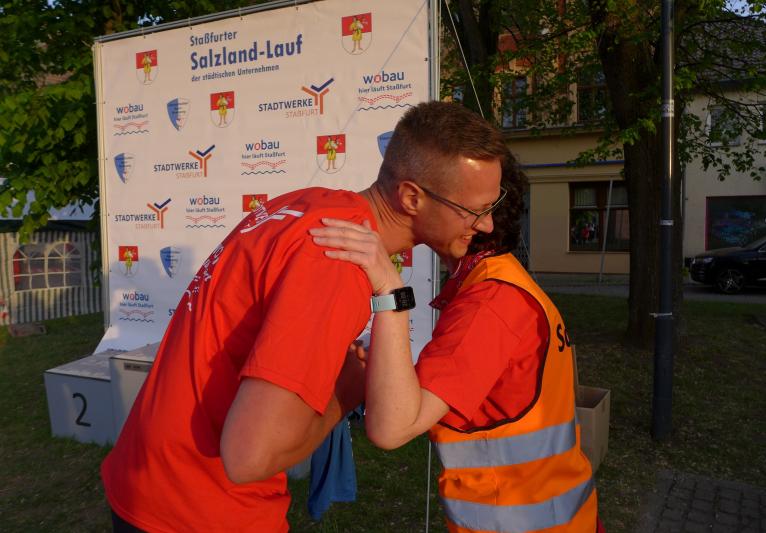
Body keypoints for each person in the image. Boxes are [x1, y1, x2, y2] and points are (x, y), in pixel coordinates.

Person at [101, 101, 506, 532]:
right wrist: (344, 394)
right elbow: (248, 457)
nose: (487, 224)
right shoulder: (337, 262)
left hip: (147, 478)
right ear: (411, 198)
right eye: (475, 210)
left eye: (493, 204)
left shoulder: (312, 206)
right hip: (200, 508)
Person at [312, 151, 602, 532]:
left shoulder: (488, 305)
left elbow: (391, 428)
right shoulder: (502, 282)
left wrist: (390, 291)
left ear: (476, 220)